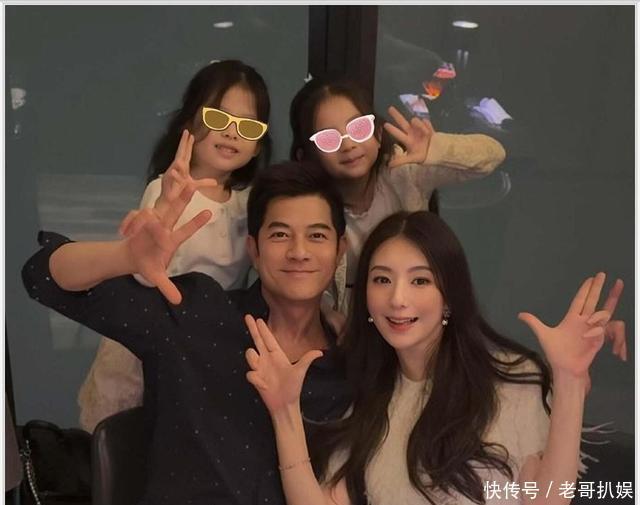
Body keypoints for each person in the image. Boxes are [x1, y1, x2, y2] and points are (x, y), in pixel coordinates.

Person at [23, 161, 351, 505]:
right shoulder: (198, 312)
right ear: (254, 249)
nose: (299, 252)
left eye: (317, 236)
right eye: (280, 235)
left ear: (340, 250)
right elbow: (42, 278)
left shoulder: (353, 362)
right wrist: (123, 256)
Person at [244, 210, 624, 505]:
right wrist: (284, 410)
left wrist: (570, 379)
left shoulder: (511, 381)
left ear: (449, 295)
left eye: (420, 280)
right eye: (382, 279)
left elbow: (547, 499)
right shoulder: (369, 402)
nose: (398, 299)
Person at [78, 59, 272, 432]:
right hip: (145, 337)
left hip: (203, 346)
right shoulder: (165, 190)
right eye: (218, 117)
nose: (232, 133)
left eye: (247, 126)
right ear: (189, 122)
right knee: (125, 437)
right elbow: (143, 275)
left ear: (257, 145)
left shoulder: (249, 203)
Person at [289, 77, 507, 315]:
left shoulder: (404, 172)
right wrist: (328, 316)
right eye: (328, 139)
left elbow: (493, 155)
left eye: (359, 128)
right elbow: (301, 280)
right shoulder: (305, 206)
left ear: (378, 133)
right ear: (307, 155)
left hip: (410, 310)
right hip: (344, 321)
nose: (348, 144)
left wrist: (435, 149)